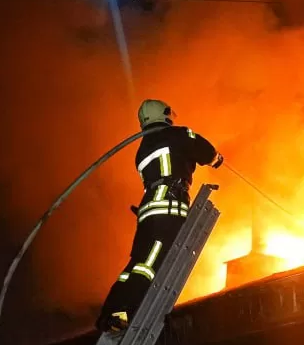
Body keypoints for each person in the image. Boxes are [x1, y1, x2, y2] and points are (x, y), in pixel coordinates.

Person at [95, 99, 223, 332]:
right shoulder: (177, 134)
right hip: (167, 208)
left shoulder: (142, 148)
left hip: (148, 211)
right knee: (150, 265)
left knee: (136, 265)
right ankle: (124, 313)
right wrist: (216, 159)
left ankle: (110, 311)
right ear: (163, 115)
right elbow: (205, 151)